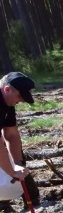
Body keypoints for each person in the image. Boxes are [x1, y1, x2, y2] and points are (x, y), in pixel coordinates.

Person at [0, 72, 35, 203]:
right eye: (20, 96)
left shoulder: (8, 104)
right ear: (7, 89)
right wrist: (12, 172)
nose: (21, 100)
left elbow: (11, 134)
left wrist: (17, 164)